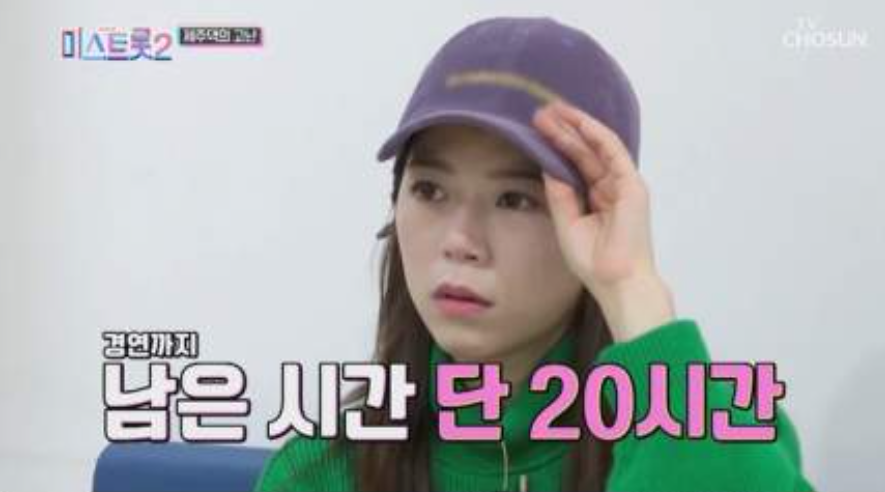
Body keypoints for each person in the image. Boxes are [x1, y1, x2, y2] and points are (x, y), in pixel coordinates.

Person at [255, 16, 816, 491]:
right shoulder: (322, 470)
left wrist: (630, 287)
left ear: (596, 222)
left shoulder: (720, 432)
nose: (460, 240)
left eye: (515, 200)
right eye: (429, 190)